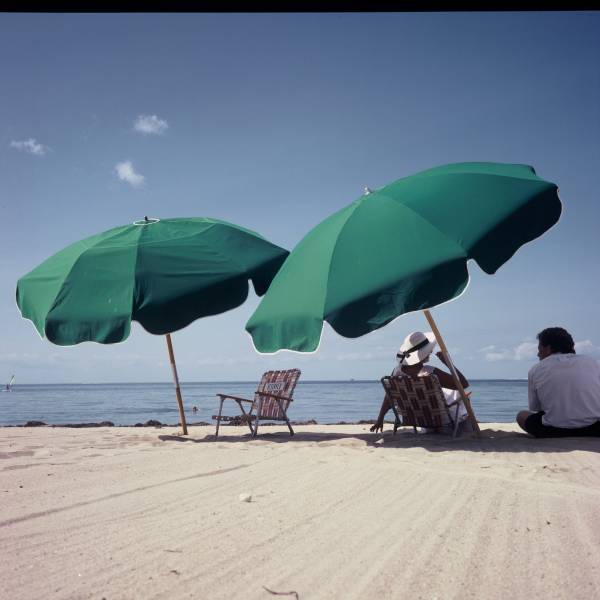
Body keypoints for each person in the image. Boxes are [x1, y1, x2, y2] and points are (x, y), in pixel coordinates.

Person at [370, 331, 470, 433]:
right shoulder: (430, 372)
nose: (430, 352)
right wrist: (448, 363)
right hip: (444, 423)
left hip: (420, 423)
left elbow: (389, 397)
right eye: (428, 350)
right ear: (422, 353)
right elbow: (464, 384)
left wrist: (380, 419)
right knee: (463, 396)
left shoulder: (397, 372)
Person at [517, 327, 600, 438]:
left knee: (521, 415)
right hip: (594, 429)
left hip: (553, 431)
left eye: (539, 349)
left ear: (548, 348)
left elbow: (536, 408)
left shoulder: (536, 369)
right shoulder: (592, 363)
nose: (538, 354)